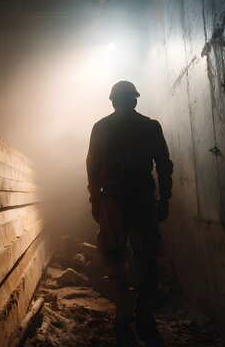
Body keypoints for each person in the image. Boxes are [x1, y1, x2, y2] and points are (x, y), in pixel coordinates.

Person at [86, 80, 173, 346]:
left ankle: (123, 307)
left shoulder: (101, 128)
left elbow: (92, 167)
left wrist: (96, 200)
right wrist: (164, 198)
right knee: (146, 257)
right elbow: (164, 165)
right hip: (143, 199)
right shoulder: (150, 126)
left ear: (113, 101)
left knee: (113, 254)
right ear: (135, 100)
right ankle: (145, 317)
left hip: (113, 199)